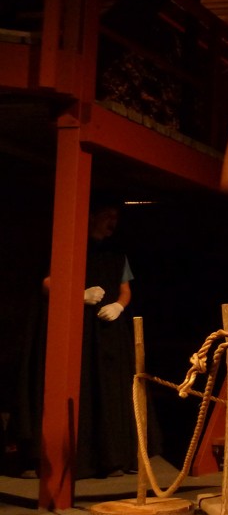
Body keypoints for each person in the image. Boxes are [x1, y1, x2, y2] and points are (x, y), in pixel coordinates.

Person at [15, 196, 137, 479]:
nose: (112, 222)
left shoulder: (117, 254)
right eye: (107, 215)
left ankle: (109, 458)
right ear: (91, 216)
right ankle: (44, 457)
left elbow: (125, 289)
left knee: (106, 390)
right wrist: (76, 296)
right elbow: (47, 283)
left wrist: (119, 306)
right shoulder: (67, 246)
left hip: (104, 333)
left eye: (115, 217)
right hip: (71, 329)